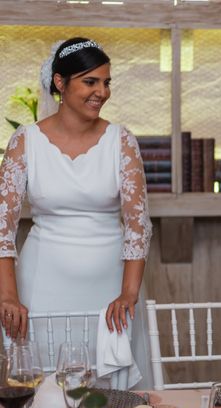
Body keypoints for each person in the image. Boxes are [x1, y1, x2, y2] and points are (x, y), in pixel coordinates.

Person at [0, 37, 153, 387]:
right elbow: (1, 228)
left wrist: (129, 293)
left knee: (115, 403)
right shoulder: (25, 142)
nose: (102, 92)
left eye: (106, 82)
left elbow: (137, 226)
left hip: (111, 291)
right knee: (43, 398)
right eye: (90, 81)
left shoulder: (122, 140)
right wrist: (8, 296)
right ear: (59, 83)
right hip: (42, 287)